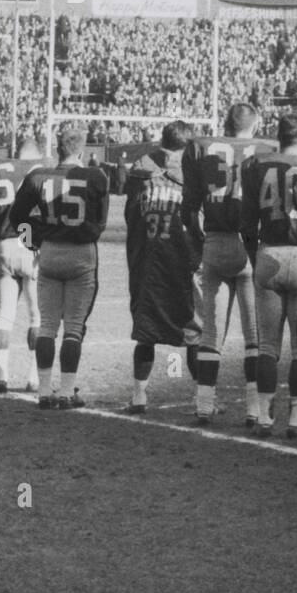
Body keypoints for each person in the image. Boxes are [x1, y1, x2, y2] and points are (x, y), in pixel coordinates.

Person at [181, 103, 273, 423]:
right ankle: (253, 408)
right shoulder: (267, 150)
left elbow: (188, 209)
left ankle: (204, 405)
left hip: (216, 241)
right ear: (256, 124)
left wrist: (199, 241)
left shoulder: (200, 148)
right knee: (254, 335)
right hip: (249, 244)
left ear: (225, 123)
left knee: (211, 334)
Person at [8, 126, 109, 409]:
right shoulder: (97, 176)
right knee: (74, 327)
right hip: (81, 254)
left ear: (57, 149)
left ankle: (43, 391)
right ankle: (65, 391)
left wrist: (34, 241)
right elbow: (99, 224)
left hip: (50, 252)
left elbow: (16, 217)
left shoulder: (38, 176)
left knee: (48, 327)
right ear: (81, 150)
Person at [240, 114, 297, 436]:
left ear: (278, 137)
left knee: (268, 347)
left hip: (269, 251)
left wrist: (255, 255)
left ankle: (264, 416)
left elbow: (246, 223)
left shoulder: (257, 165)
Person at [124, 121, 199, 415]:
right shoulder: (192, 177)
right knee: (193, 330)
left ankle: (139, 395)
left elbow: (132, 216)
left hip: (148, 258)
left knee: (147, 330)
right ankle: (203, 398)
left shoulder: (141, 173)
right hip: (180, 260)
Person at [0, 137, 46, 393]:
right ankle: (34, 378)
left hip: (5, 244)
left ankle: (1, 377)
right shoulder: (43, 168)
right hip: (29, 243)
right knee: (37, 316)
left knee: (2, 316)